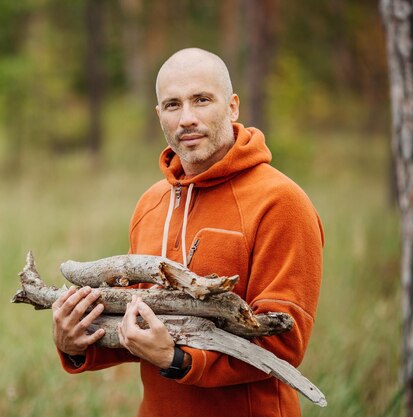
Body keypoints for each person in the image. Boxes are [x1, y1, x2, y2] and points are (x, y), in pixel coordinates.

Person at [51, 47, 324, 417]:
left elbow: (284, 342)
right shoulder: (152, 203)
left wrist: (180, 360)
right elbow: (138, 328)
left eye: (202, 100)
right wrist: (75, 343)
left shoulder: (281, 202)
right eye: (173, 105)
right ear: (159, 114)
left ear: (232, 107)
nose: (187, 118)